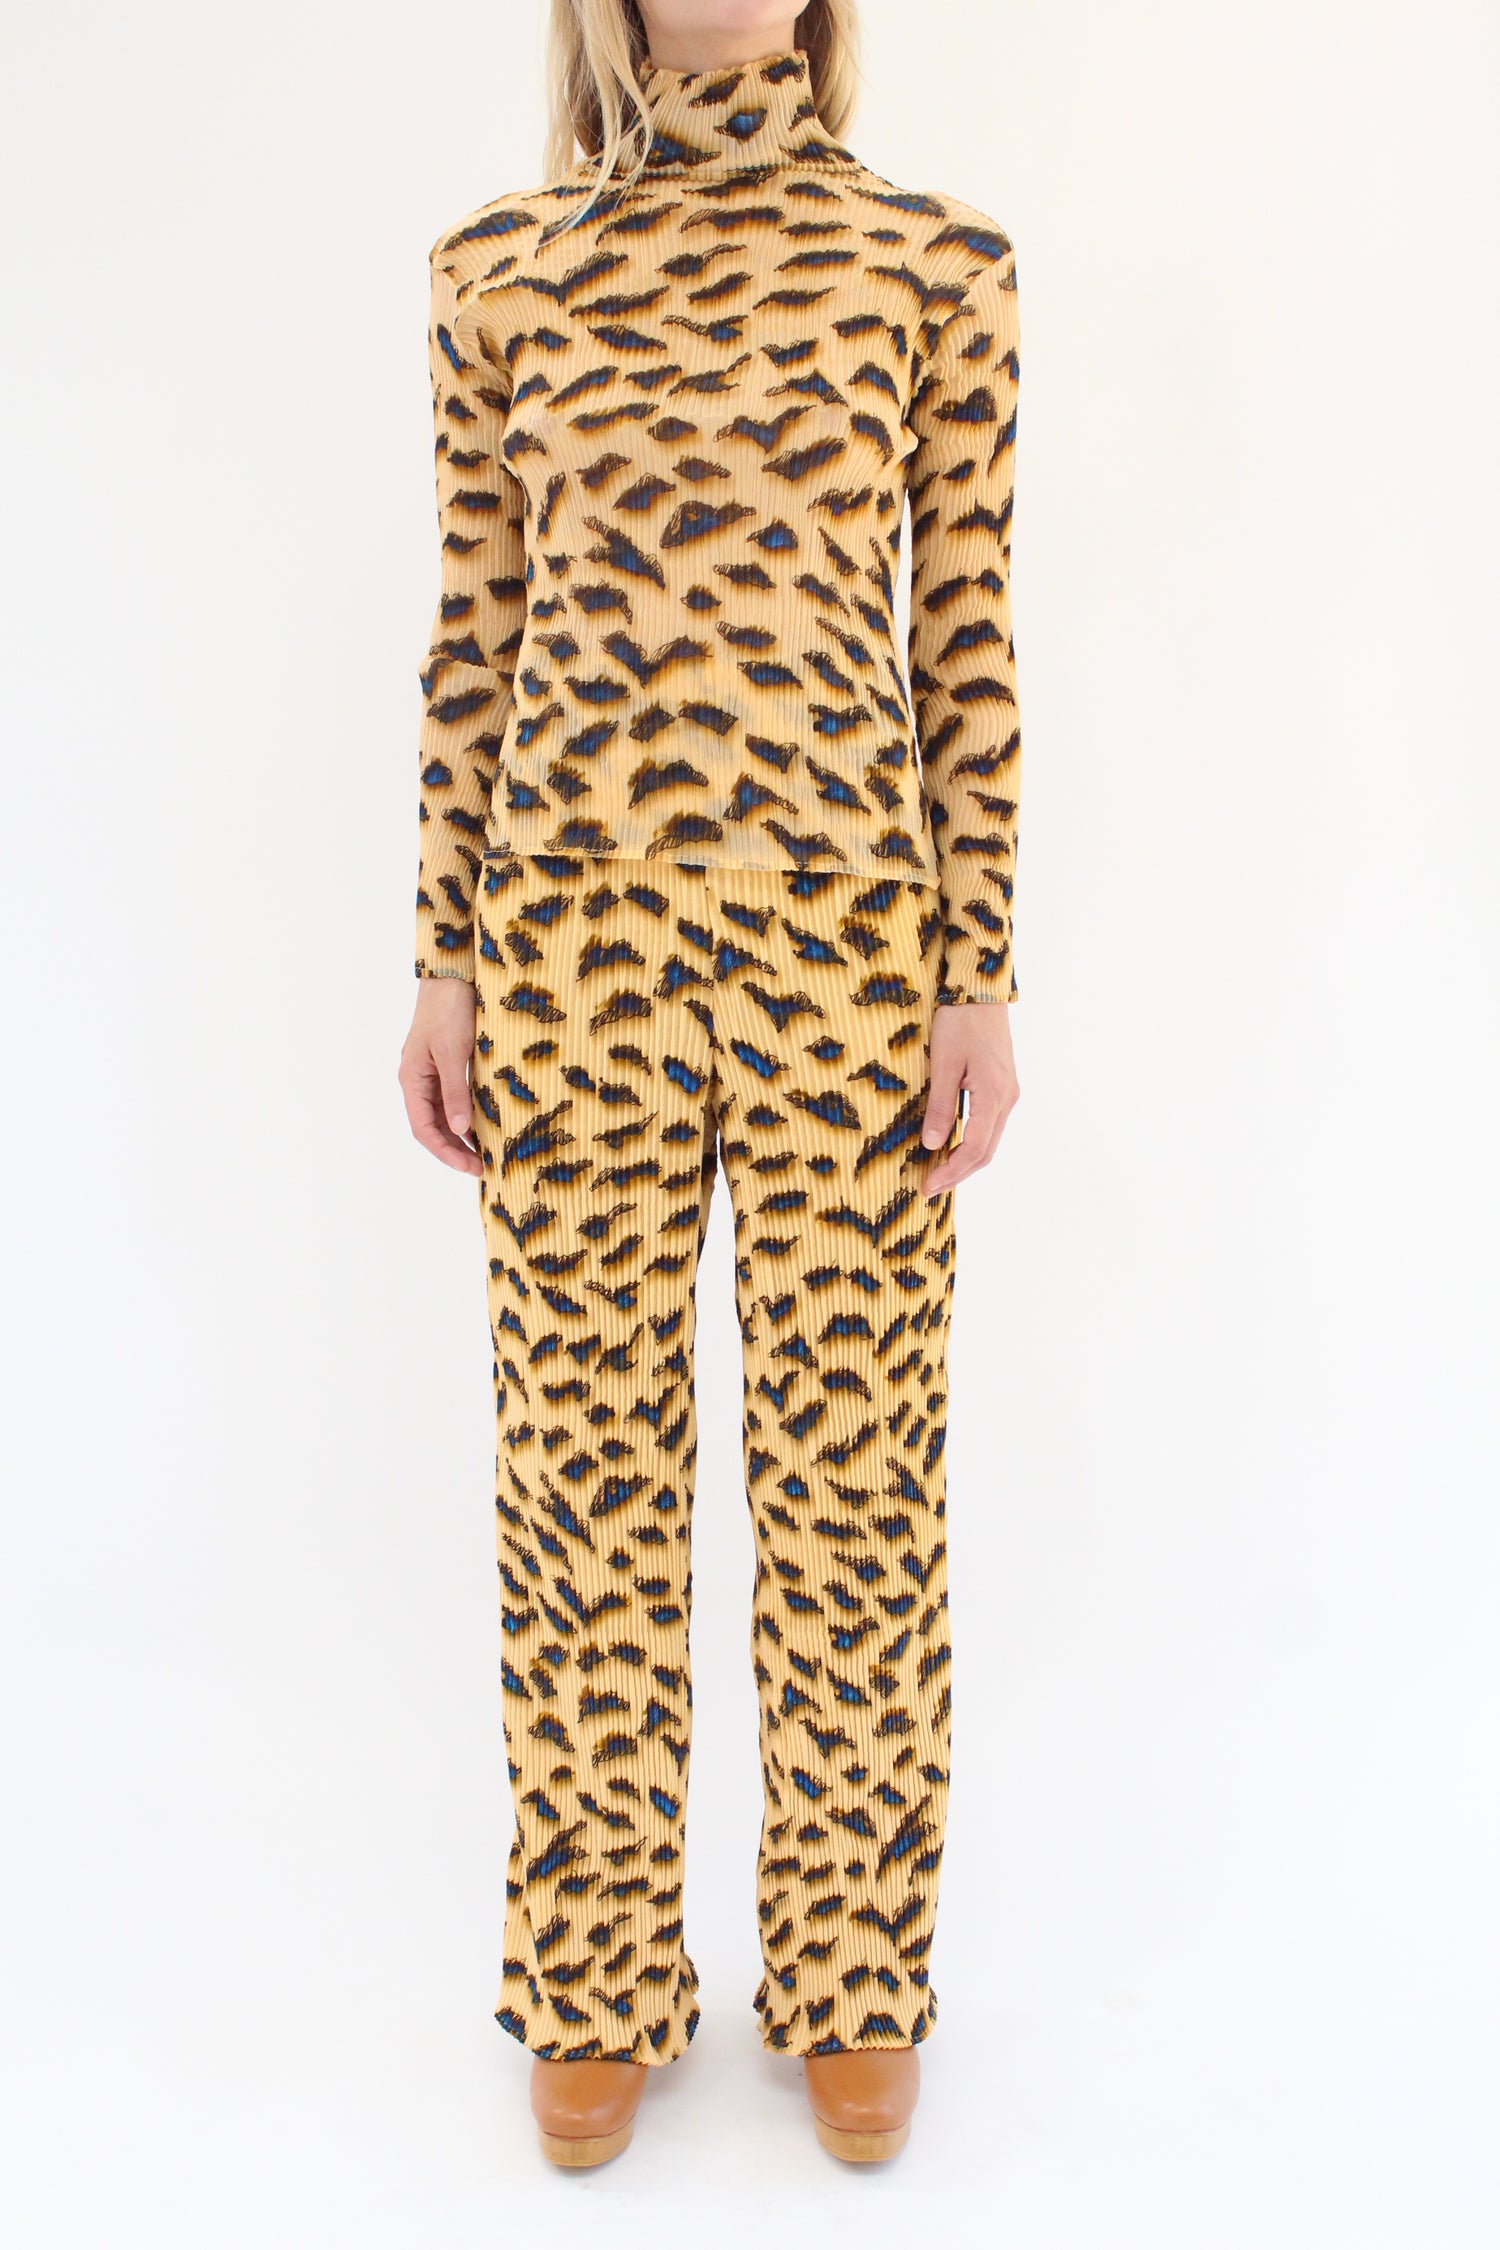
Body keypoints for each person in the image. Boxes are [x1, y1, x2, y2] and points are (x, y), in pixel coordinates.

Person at [398, 0, 1023, 2168]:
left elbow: (967, 637)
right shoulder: (500, 269)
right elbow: (474, 640)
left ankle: (853, 1969)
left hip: (852, 953)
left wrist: (980, 971)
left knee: (855, 1484)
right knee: (582, 1483)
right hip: (569, 955)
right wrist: (442, 955)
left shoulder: (937, 265)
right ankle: (595, 1968)